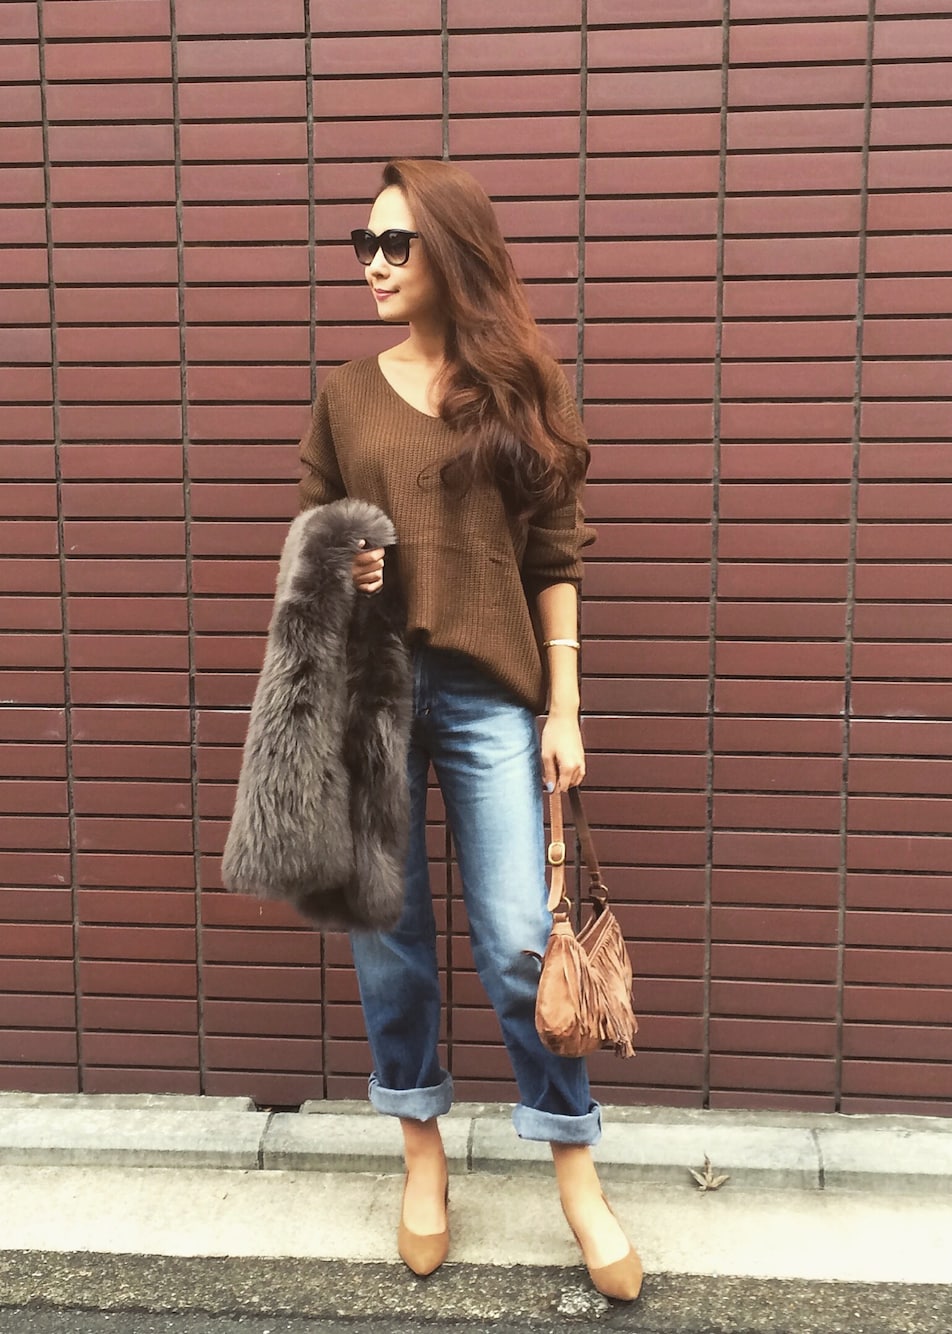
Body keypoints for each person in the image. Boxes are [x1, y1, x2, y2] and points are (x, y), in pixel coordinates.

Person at [296, 157, 642, 1301]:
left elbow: (555, 556)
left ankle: (575, 1169)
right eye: (364, 243)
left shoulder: (520, 389)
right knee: (389, 942)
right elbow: (313, 543)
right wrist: (344, 564)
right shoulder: (346, 395)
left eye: (395, 243)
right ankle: (421, 1151)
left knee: (515, 939)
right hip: (374, 696)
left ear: (451, 251)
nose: (374, 264)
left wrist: (565, 707)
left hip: (491, 693)